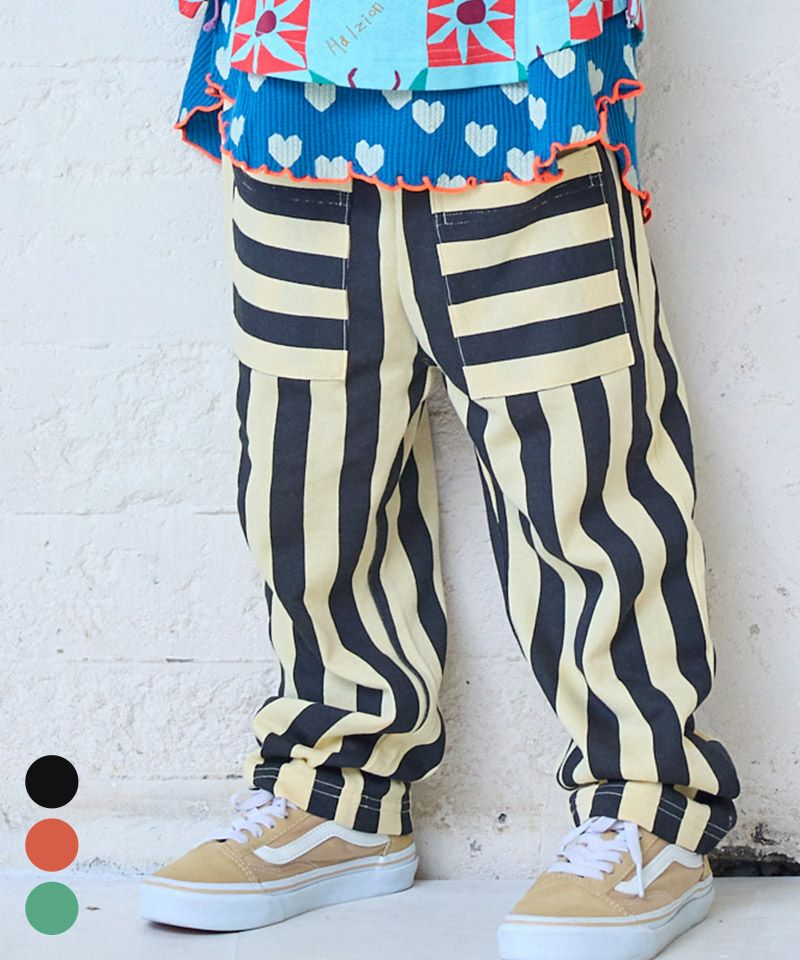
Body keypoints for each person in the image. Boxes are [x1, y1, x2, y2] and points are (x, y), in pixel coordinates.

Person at [140, 3, 741, 958]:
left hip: (517, 74)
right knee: (305, 465)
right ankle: (334, 794)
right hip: (289, 73)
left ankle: (648, 807)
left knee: (578, 458)